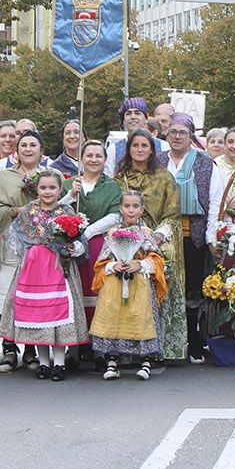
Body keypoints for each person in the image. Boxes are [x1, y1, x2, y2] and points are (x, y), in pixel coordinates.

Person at [0, 168, 89, 378]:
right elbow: (15, 237)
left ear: (60, 189)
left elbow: (80, 240)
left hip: (60, 268)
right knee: (38, 315)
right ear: (37, 189)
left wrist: (73, 248)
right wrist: (29, 253)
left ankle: (59, 363)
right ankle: (44, 362)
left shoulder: (66, 210)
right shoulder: (29, 210)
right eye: (43, 187)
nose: (47, 192)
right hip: (34, 269)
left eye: (52, 188)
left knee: (57, 314)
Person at [0, 129, 54, 369]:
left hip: (39, 247)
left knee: (32, 296)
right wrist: (19, 211)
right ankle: (9, 348)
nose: (28, 149)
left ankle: (31, 350)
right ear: (17, 150)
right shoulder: (5, 177)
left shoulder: (50, 176)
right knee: (8, 295)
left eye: (33, 145)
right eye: (23, 145)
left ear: (41, 151)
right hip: (10, 245)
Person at [113, 126, 183, 360]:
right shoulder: (119, 178)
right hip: (126, 236)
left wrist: (158, 235)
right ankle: (126, 349)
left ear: (152, 150)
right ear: (129, 149)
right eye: (135, 145)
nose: (140, 149)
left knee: (166, 255)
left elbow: (172, 213)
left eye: (145, 145)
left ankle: (161, 346)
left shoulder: (164, 177)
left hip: (157, 235)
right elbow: (115, 211)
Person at [92, 187, 168, 380]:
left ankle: (145, 362)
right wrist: (113, 266)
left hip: (139, 284)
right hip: (115, 285)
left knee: (141, 318)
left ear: (142, 209)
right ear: (120, 208)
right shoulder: (112, 233)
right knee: (113, 318)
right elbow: (101, 261)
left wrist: (140, 264)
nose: (131, 210)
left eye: (135, 206)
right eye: (127, 206)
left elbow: (158, 260)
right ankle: (112, 362)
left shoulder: (146, 233)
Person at [161, 114, 216, 362]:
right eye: (173, 131)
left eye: (182, 132)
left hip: (192, 235)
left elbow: (214, 202)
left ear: (190, 136)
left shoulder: (205, 163)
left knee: (193, 291)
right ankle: (164, 344)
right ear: (167, 134)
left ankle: (194, 343)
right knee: (164, 288)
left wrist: (210, 236)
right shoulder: (158, 161)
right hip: (162, 235)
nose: (177, 136)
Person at [71, 140, 122, 332]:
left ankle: (97, 336)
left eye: (98, 156)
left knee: (95, 289)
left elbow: (115, 215)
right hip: (71, 246)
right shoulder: (70, 183)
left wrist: (87, 232)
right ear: (81, 158)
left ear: (105, 160)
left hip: (98, 246)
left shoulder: (111, 186)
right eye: (89, 155)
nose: (93, 159)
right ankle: (76, 338)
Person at [205, 128, 235, 245]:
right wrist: (226, 201)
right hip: (217, 223)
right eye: (230, 142)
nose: (234, 146)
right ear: (224, 144)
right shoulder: (214, 165)